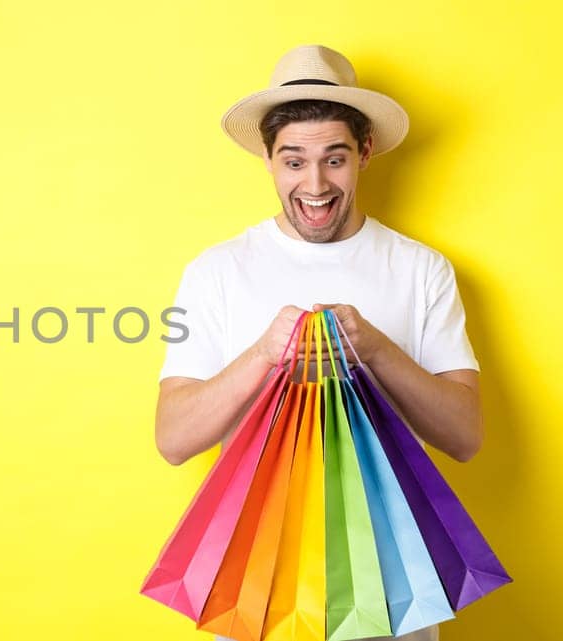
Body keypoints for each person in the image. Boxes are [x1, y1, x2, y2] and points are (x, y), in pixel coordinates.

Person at [153, 45, 483, 641]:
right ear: (268, 158)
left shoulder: (421, 269)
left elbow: (464, 437)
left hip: (395, 589)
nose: (315, 184)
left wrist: (376, 348)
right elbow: (174, 440)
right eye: (294, 161)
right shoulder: (216, 271)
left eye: (334, 159)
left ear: (365, 152)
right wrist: (261, 355)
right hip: (260, 588)